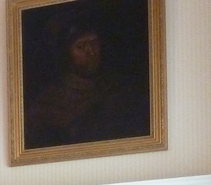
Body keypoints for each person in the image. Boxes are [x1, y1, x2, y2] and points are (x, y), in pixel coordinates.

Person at [23, 17, 149, 150]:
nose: (91, 52)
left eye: (94, 43)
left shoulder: (118, 91)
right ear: (65, 53)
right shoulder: (47, 104)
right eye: (81, 46)